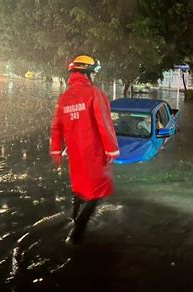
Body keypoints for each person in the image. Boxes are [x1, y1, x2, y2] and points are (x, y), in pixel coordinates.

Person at [50, 55, 120, 244]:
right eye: (94, 73)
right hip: (94, 153)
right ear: (87, 73)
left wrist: (56, 150)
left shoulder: (64, 98)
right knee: (97, 192)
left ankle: (73, 218)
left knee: (79, 189)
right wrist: (112, 149)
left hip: (75, 155)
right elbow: (104, 123)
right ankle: (75, 235)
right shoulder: (95, 94)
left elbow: (57, 127)